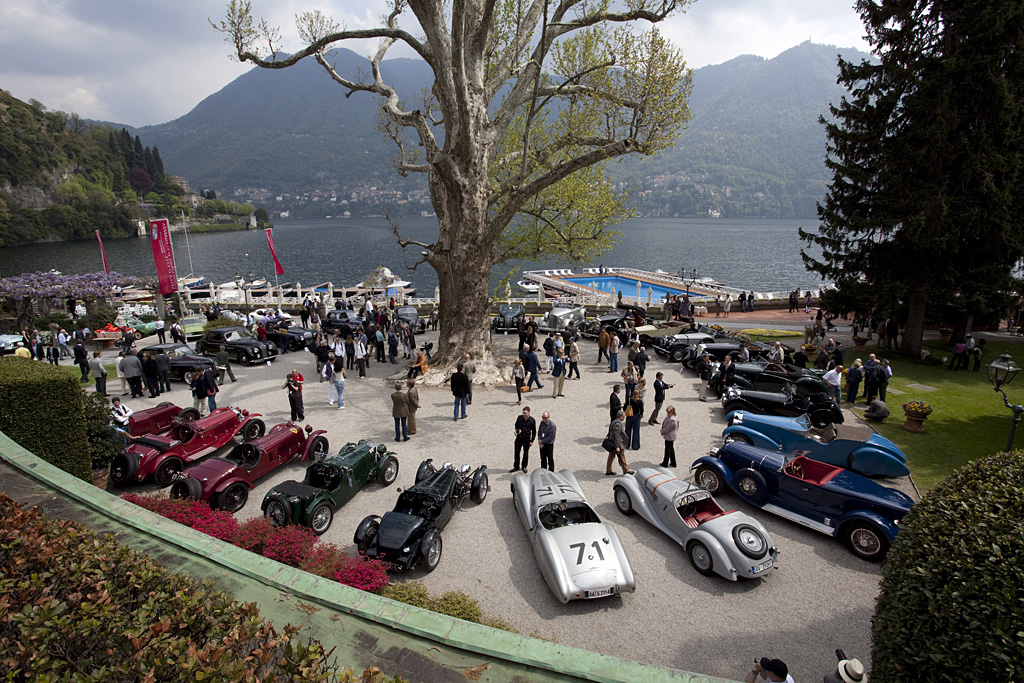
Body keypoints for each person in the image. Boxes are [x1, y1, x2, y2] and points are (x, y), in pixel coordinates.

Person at [604, 410, 633, 476]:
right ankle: (626, 471)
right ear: (621, 417)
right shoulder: (618, 424)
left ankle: (608, 470)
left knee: (611, 457)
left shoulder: (614, 421)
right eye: (624, 416)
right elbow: (616, 436)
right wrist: (617, 447)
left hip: (612, 443)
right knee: (622, 457)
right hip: (617, 444)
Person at [511, 406, 536, 472]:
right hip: (519, 438)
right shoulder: (519, 418)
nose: (524, 414)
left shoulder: (532, 420)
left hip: (526, 439)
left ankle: (524, 466)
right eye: (523, 413)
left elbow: (534, 431)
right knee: (516, 453)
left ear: (529, 413)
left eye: (525, 413)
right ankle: (516, 466)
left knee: (525, 453)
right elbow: (516, 425)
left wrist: (532, 440)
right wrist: (518, 429)